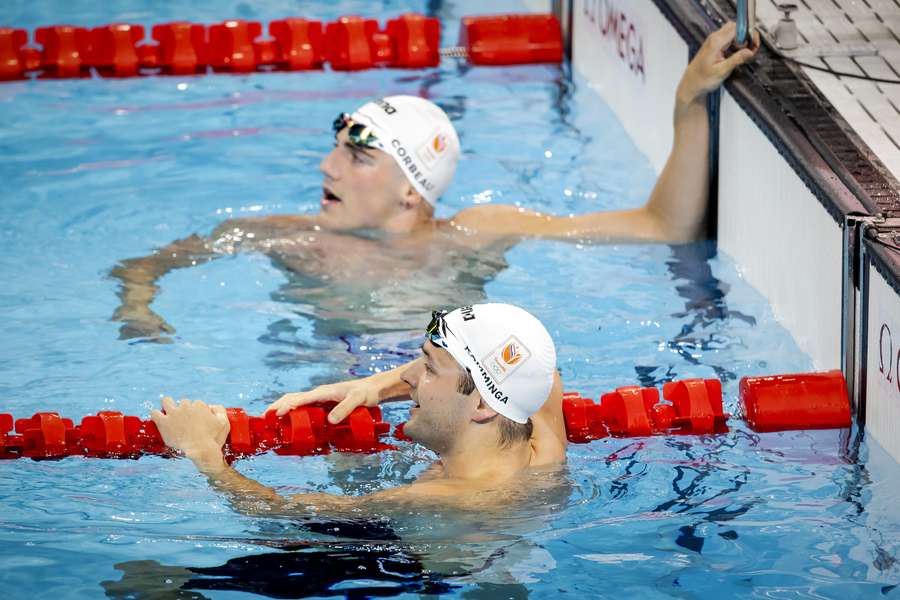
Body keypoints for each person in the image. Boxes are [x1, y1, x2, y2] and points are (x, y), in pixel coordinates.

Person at [110, 23, 759, 341]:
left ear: (411, 193)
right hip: (331, 414)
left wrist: (686, 103)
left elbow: (662, 227)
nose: (325, 167)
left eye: (356, 158)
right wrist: (138, 308)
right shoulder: (286, 239)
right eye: (334, 149)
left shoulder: (480, 233)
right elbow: (145, 265)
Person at [151, 303, 568, 512]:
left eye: (427, 367)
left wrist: (207, 457)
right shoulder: (544, 447)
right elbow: (544, 375)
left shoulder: (446, 499)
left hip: (420, 572)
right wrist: (372, 387)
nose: (405, 379)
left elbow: (281, 513)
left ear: (480, 403)